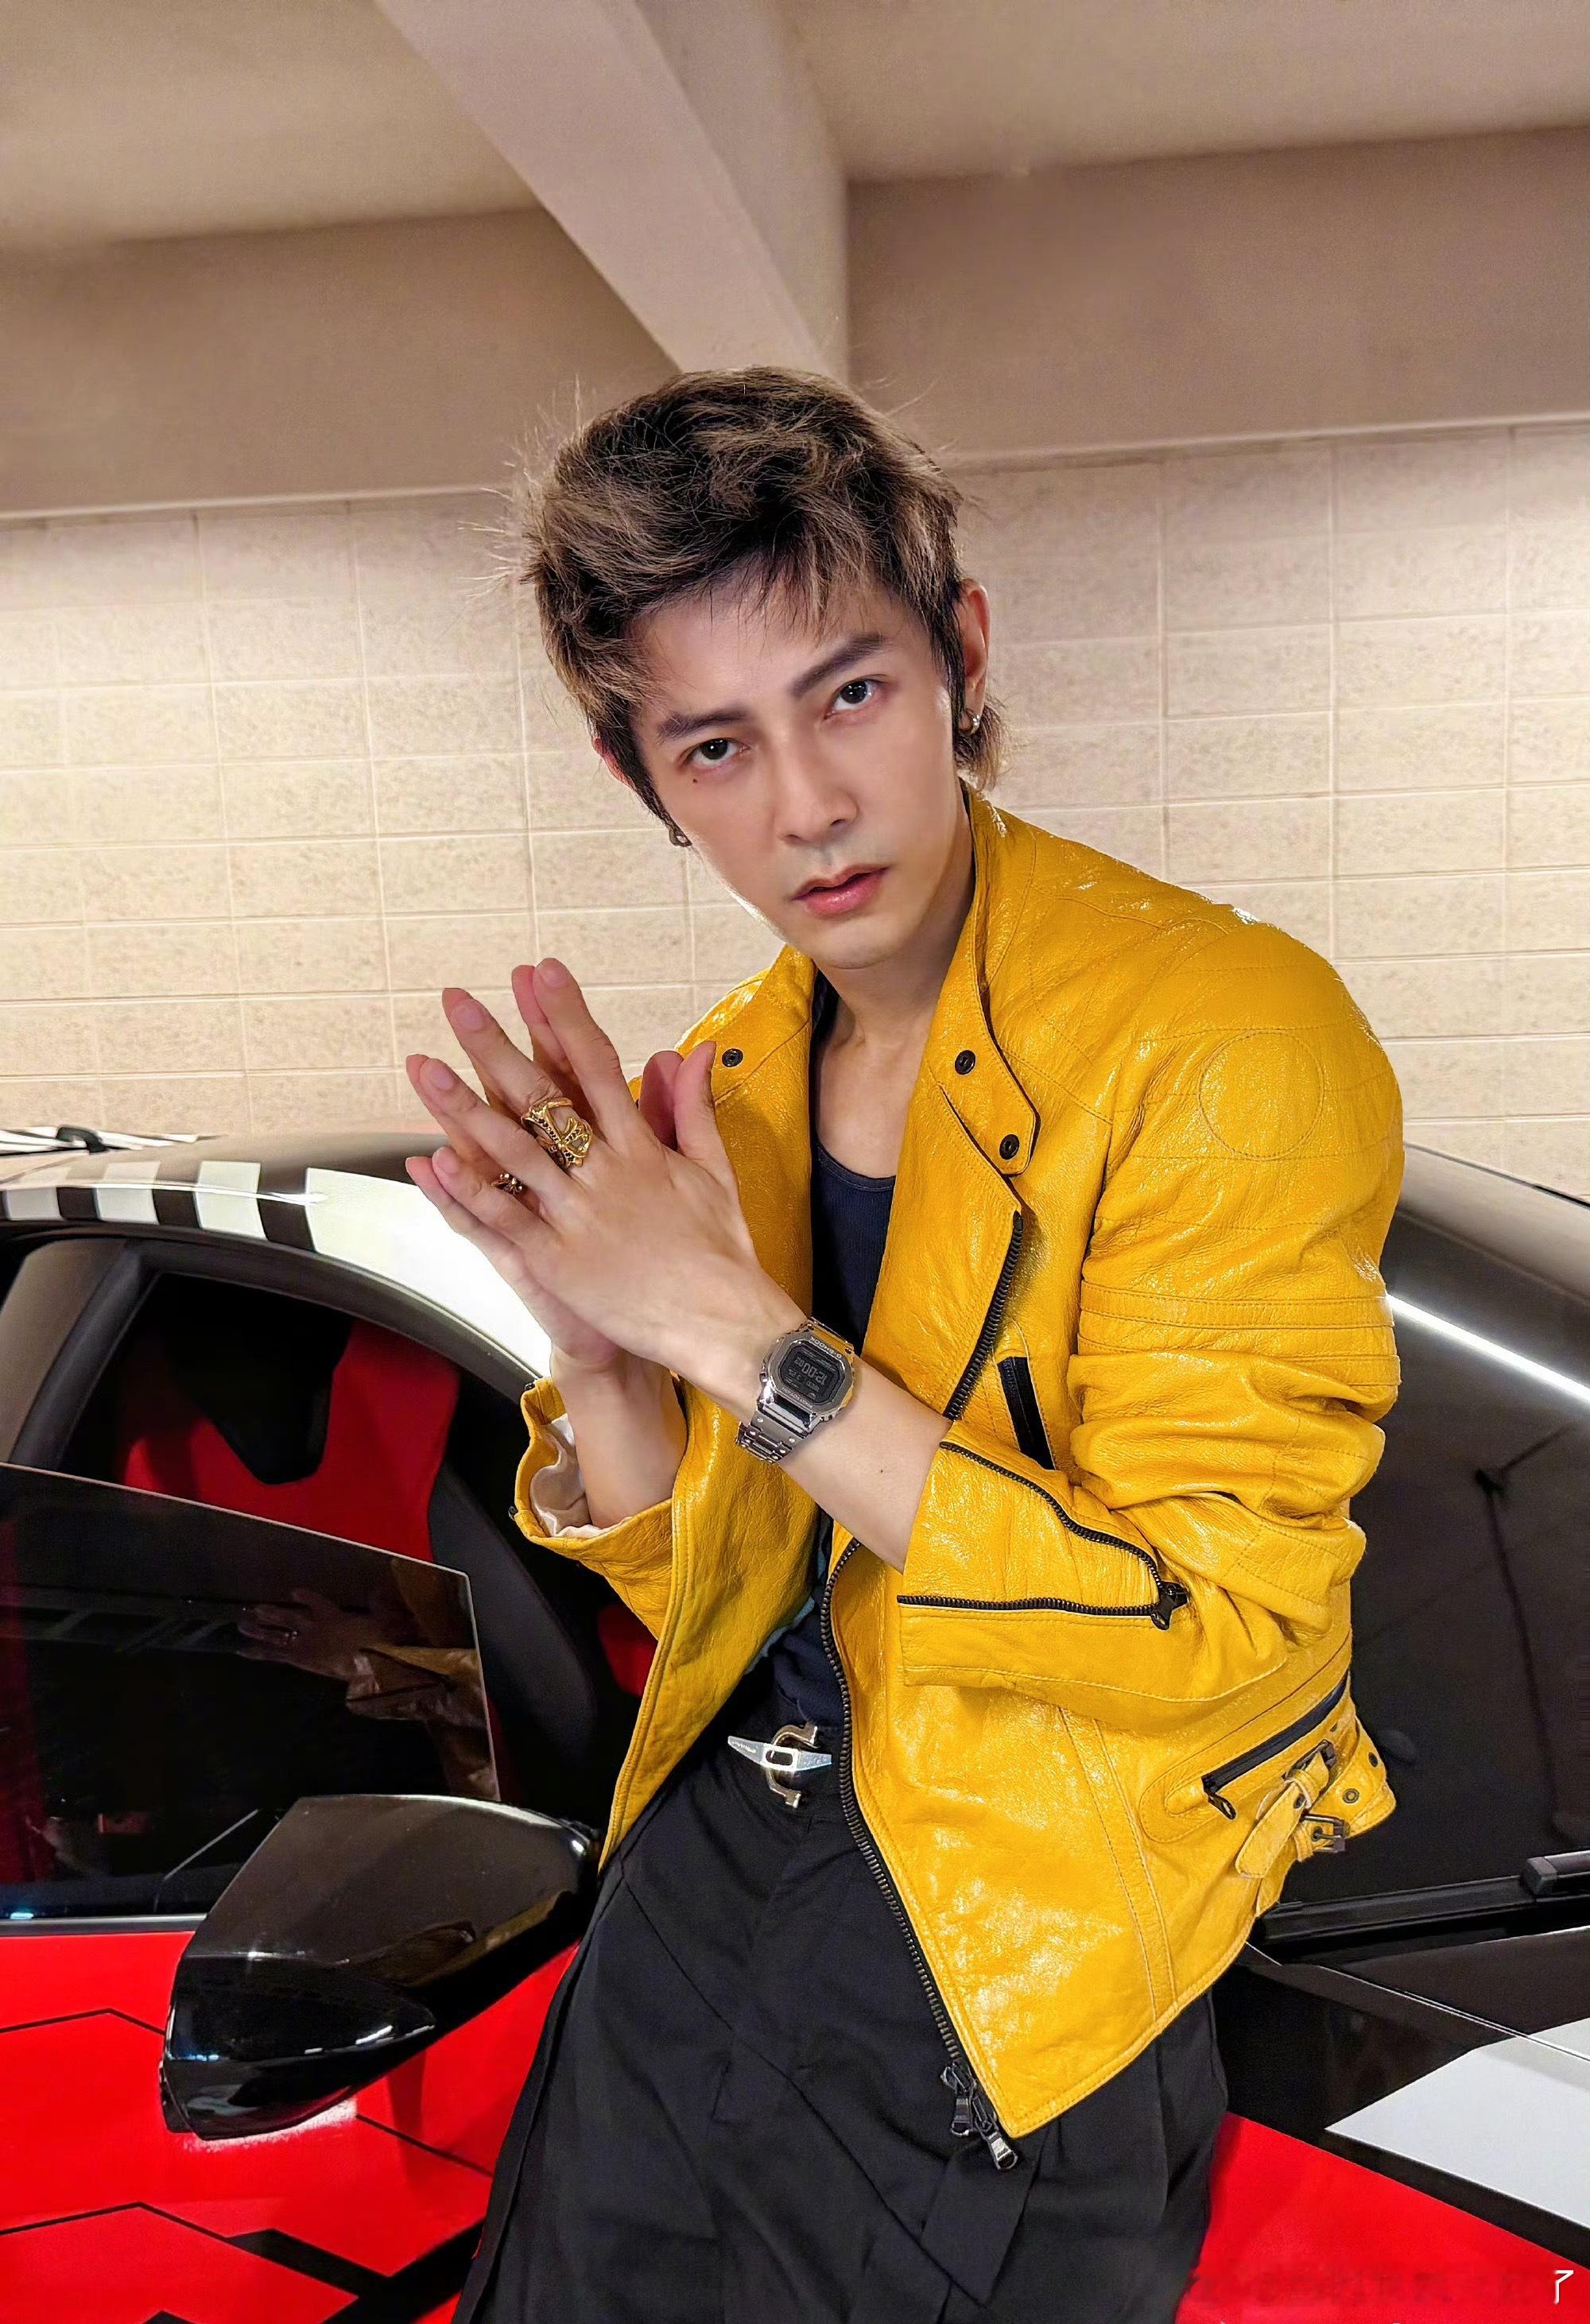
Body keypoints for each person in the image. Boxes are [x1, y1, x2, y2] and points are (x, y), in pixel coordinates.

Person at [401, 367, 1404, 2322]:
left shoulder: (1222, 1033)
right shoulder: (737, 1071)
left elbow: (1225, 1630)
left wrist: (736, 1328)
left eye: (848, 691)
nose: (806, 805)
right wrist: (601, 1355)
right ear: (638, 777)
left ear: (959, 655)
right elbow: (714, 1579)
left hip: (1003, 1988)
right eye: (714, 745)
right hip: (692, 1913)